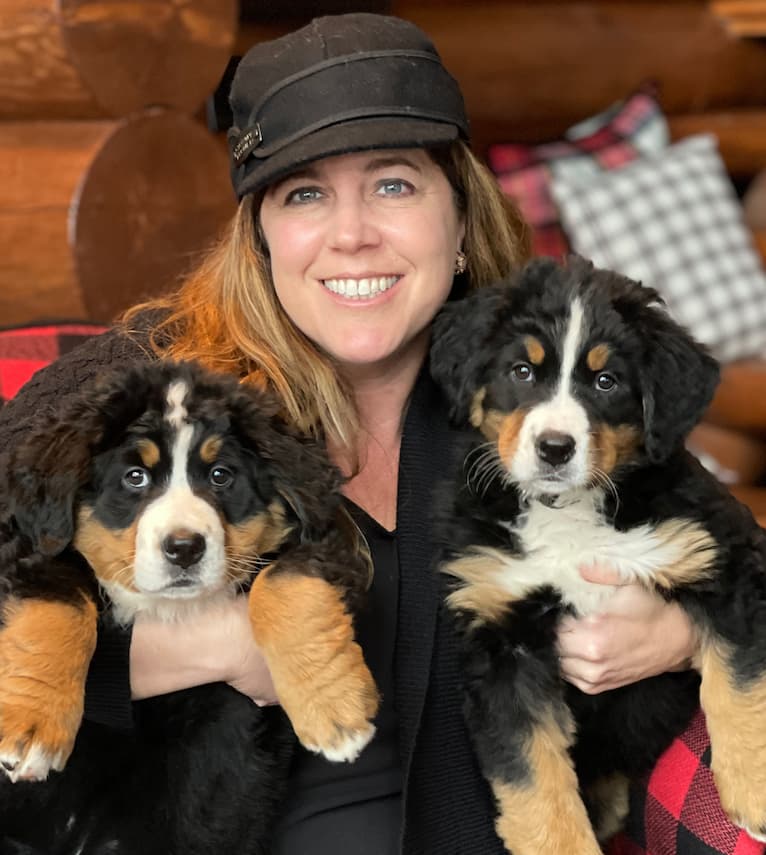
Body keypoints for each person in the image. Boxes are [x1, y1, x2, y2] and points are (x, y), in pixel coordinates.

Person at [0, 12, 710, 855]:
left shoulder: (534, 391)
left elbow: (730, 552)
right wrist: (205, 645)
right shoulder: (140, 391)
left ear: (459, 218)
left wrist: (684, 632)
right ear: (260, 236)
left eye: (393, 183)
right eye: (305, 193)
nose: (351, 233)